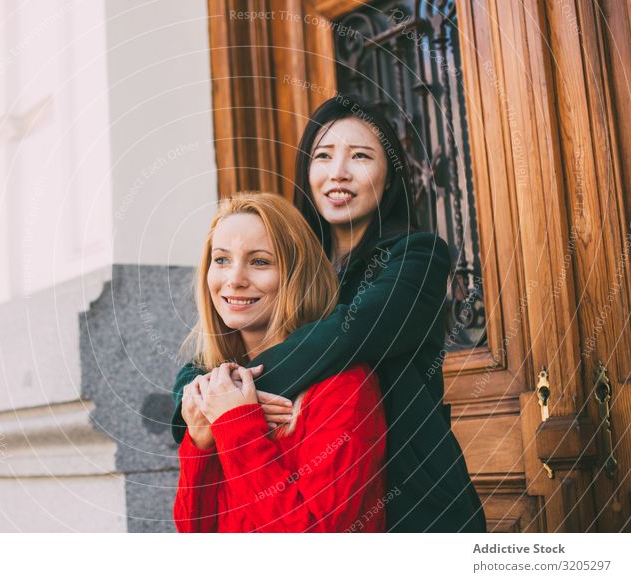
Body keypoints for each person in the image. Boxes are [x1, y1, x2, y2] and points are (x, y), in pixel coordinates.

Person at [171, 94, 487, 533]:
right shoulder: (287, 256)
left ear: (390, 176)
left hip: (410, 498)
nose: (338, 172)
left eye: (360, 156)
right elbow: (201, 362)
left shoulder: (416, 256)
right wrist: (199, 400)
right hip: (307, 480)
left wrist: (232, 396)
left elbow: (346, 334)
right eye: (323, 156)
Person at [173, 193, 387, 532]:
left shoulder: (342, 387)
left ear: (296, 275)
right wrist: (200, 441)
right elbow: (194, 532)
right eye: (222, 260)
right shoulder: (216, 389)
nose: (234, 279)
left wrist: (237, 425)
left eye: (259, 262)